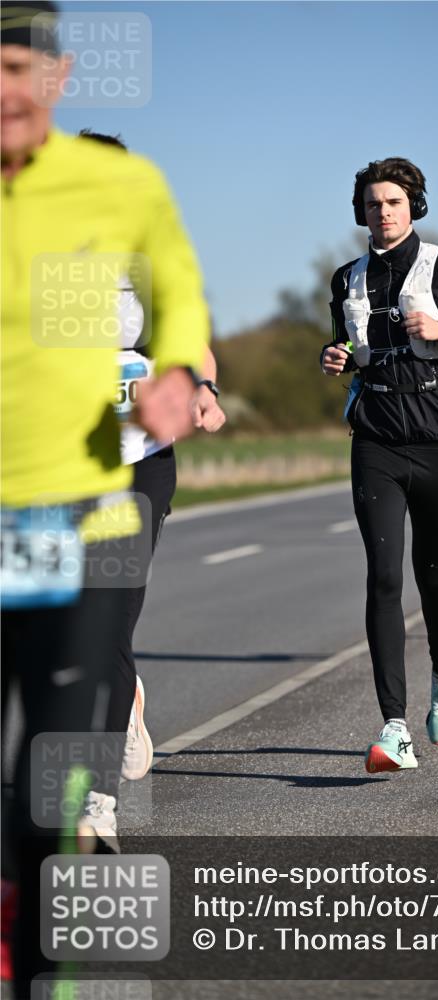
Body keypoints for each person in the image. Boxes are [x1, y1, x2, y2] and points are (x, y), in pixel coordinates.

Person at [1, 4, 210, 992]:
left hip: (126, 475)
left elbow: (193, 339)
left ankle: (94, 821)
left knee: (96, 634)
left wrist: (188, 387)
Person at [321, 157, 438, 774]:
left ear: (413, 206)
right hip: (375, 438)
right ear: (361, 212)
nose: (383, 212)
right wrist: (336, 356)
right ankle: (393, 728)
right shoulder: (346, 278)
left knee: (432, 573)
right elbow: (349, 349)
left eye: (393, 202)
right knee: (384, 577)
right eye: (373, 204)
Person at [75, 131, 226, 843]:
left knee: (106, 614)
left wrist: (205, 390)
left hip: (142, 458)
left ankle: (96, 799)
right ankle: (126, 695)